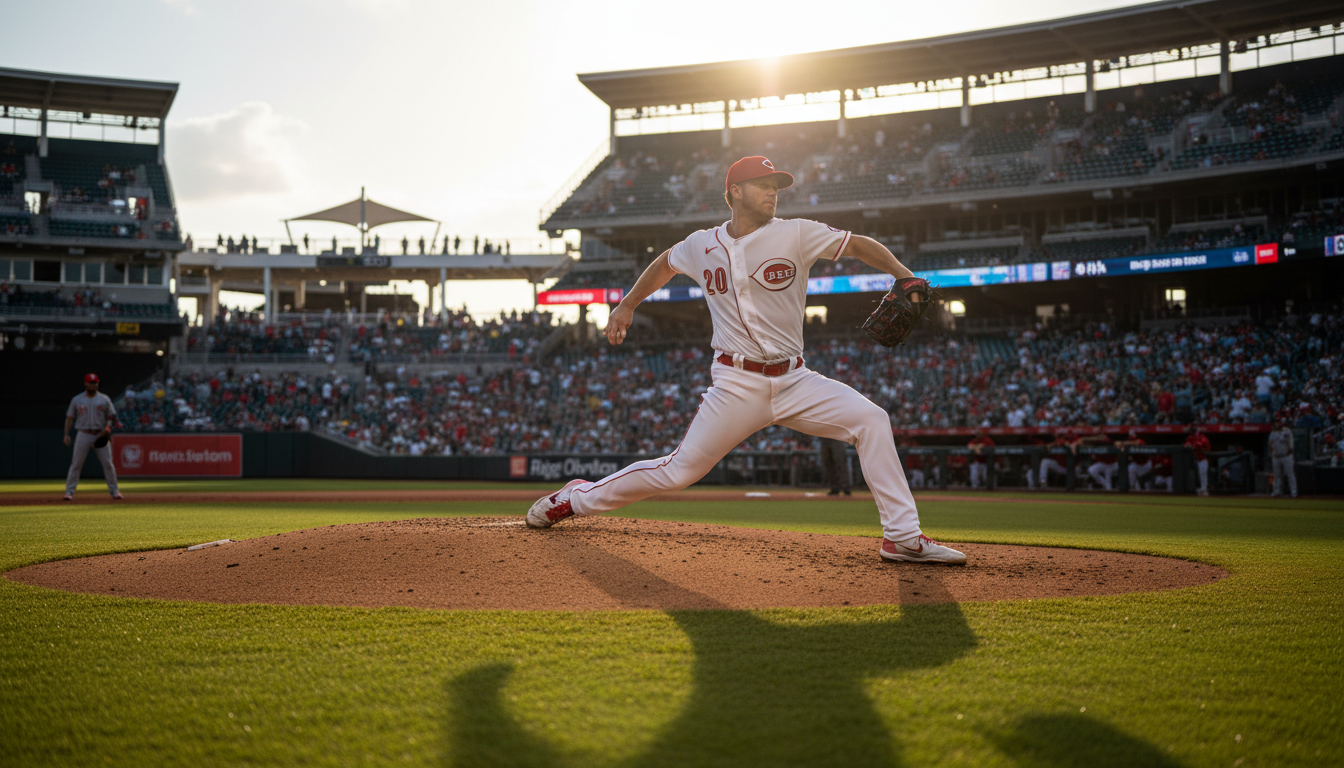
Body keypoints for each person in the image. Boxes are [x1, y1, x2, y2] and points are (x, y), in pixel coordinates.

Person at [524, 156, 965, 564]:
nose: (773, 192)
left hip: (796, 380)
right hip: (737, 385)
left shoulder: (796, 232)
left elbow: (858, 245)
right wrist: (627, 304)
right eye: (763, 185)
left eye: (777, 186)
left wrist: (905, 275)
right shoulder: (702, 244)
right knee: (679, 471)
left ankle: (902, 537)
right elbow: (665, 263)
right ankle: (575, 498)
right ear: (735, 191)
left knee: (872, 420)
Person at [63, 374, 122, 501]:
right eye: (91, 383)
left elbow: (112, 416)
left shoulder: (104, 399)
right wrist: (66, 434)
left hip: (100, 434)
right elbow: (69, 418)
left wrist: (108, 427)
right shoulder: (77, 399)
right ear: (86, 384)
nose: (93, 385)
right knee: (76, 464)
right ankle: (69, 492)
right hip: (83, 433)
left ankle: (115, 491)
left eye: (95, 383)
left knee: (108, 464)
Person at [1268, 420, 1297, 498]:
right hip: (1276, 457)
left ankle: (1293, 492)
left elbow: (1291, 444)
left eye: (1279, 422)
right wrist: (1273, 453)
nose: (1277, 424)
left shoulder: (1287, 431)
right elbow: (1270, 445)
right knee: (1277, 475)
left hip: (1286, 456)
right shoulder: (1273, 433)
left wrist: (1289, 450)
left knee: (1290, 474)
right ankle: (1277, 491)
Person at [1184, 425, 1211, 496]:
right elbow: (1185, 445)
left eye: (1191, 430)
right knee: (1198, 475)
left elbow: (1206, 448)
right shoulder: (1191, 437)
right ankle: (1201, 488)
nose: (1190, 432)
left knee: (1203, 474)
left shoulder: (1202, 438)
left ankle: (1204, 489)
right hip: (1195, 459)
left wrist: (1196, 447)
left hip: (1203, 459)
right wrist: (1190, 446)